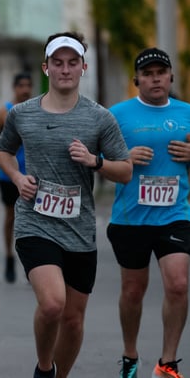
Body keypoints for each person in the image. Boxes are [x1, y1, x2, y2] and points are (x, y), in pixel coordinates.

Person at [0, 31, 132, 378]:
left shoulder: (100, 118)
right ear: (46, 68)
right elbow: (3, 149)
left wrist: (95, 162)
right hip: (35, 222)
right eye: (58, 63)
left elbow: (126, 171)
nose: (65, 69)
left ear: (83, 67)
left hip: (79, 228)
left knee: (73, 320)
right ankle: (44, 368)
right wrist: (16, 177)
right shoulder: (23, 114)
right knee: (53, 303)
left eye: (73, 63)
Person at [107, 48, 190, 378]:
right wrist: (124, 157)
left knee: (179, 284)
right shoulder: (117, 115)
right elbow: (98, 164)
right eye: (148, 73)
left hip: (175, 214)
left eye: (161, 72)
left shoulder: (187, 112)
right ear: (136, 81)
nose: (155, 78)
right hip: (131, 218)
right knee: (132, 290)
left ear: (171, 77)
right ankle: (130, 354)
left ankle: (167, 362)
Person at [0, 72, 32, 283]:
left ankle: (32, 263)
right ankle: (9, 257)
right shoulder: (4, 112)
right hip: (8, 173)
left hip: (32, 173)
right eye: (21, 85)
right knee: (11, 216)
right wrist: (6, 141)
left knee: (32, 218)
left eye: (28, 85)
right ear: (14, 87)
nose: (25, 89)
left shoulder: (35, 110)